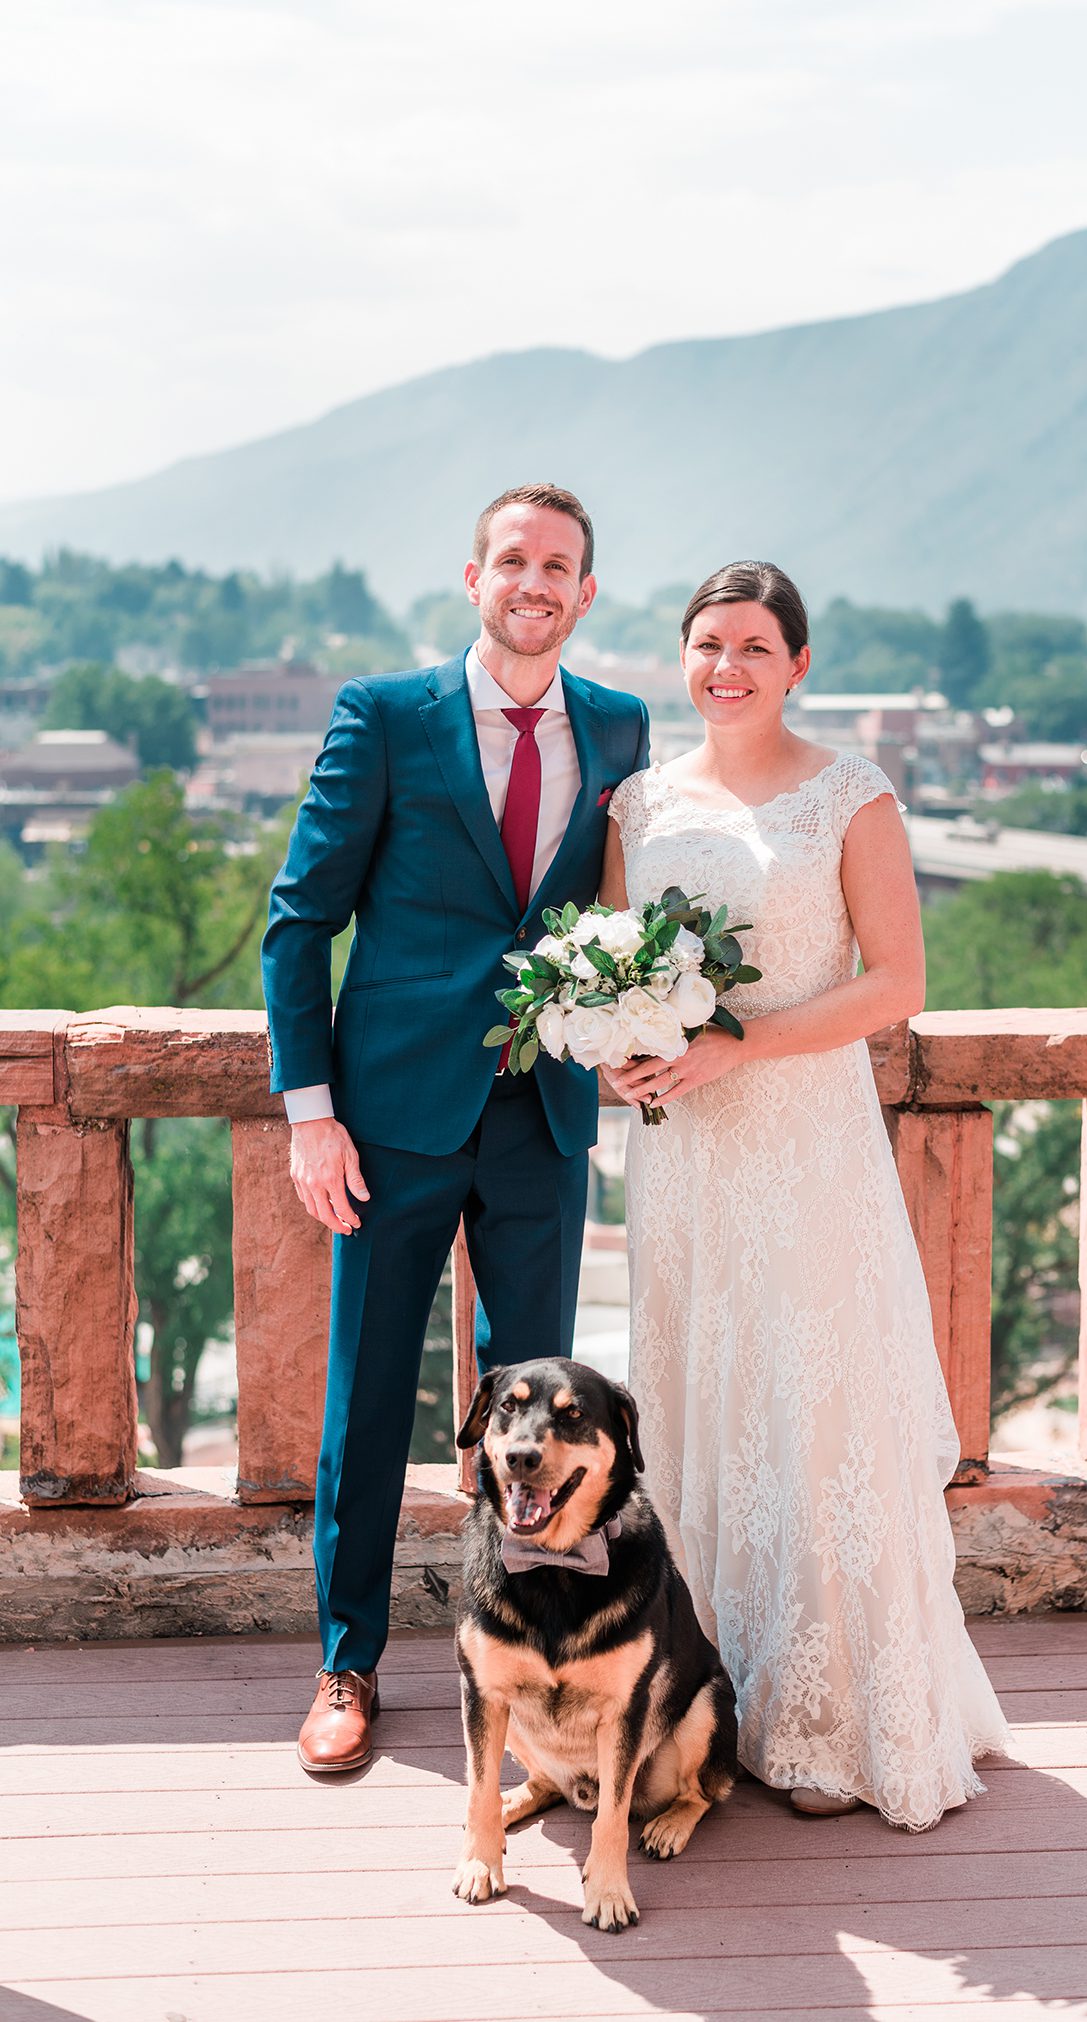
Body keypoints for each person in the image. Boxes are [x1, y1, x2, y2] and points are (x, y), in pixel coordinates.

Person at [601, 561, 1010, 1825]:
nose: (727, 667)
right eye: (707, 644)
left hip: (804, 1140)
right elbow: (616, 968)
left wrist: (743, 1046)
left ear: (798, 666)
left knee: (812, 1404)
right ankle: (696, 1704)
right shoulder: (639, 803)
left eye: (754, 646)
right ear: (683, 658)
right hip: (685, 1155)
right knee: (697, 1401)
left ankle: (828, 1714)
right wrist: (622, 1051)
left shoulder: (850, 794)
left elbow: (899, 982)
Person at [262, 484, 649, 1773]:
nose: (535, 583)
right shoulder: (384, 716)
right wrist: (313, 1116)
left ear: (587, 593)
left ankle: (537, 1674)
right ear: (473, 576)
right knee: (370, 1399)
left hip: (543, 1119)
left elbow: (624, 915)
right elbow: (299, 922)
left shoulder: (620, 725)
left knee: (541, 1425)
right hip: (392, 1124)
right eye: (514, 561)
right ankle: (347, 1663)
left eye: (560, 567)